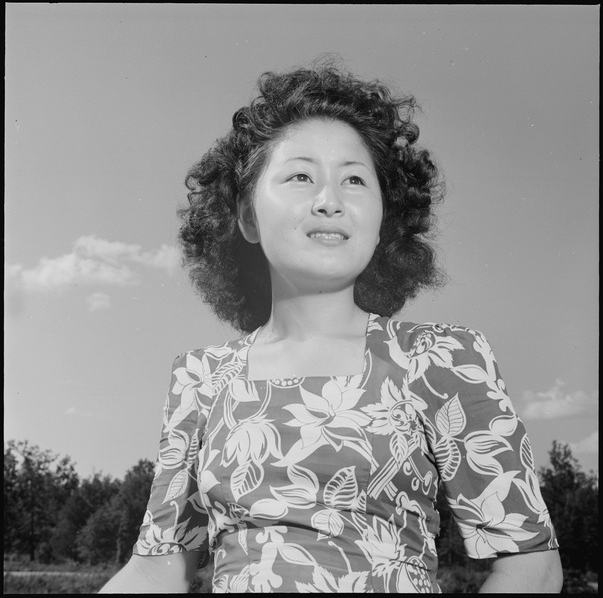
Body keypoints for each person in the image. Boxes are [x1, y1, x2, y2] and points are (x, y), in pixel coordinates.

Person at [100, 60, 563, 593]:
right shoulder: (199, 379)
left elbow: (531, 564)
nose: (330, 200)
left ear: (384, 216)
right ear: (247, 218)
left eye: (354, 179)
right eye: (300, 175)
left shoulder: (443, 358)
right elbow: (158, 567)